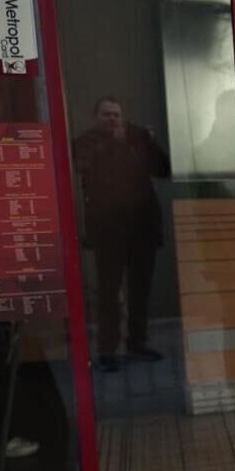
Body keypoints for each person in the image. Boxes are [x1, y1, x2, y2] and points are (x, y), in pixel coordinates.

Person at [72, 98, 170, 373]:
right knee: (108, 294)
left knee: (141, 292)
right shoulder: (86, 143)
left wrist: (148, 142)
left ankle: (137, 343)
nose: (112, 119)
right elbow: (87, 168)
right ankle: (107, 349)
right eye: (106, 114)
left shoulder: (138, 138)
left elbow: (163, 169)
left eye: (116, 115)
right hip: (108, 233)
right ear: (96, 117)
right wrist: (119, 143)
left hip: (142, 230)